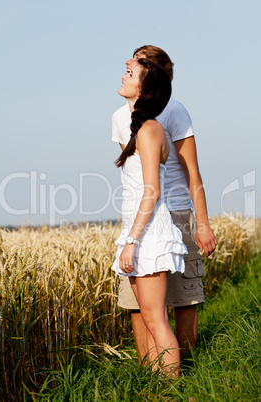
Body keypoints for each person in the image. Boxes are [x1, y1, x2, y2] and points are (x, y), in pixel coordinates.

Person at [112, 45, 217, 361]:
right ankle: (151, 376)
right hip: (140, 216)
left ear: (152, 74)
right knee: (138, 306)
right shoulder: (120, 117)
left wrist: (203, 224)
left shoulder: (174, 112)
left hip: (175, 213)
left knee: (184, 298)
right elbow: (135, 176)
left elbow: (192, 172)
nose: (128, 62)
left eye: (138, 60)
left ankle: (187, 368)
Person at [111, 58, 188, 376]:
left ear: (144, 89)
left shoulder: (149, 129)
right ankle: (159, 387)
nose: (123, 74)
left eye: (131, 73)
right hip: (138, 230)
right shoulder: (141, 128)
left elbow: (152, 191)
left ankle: (171, 390)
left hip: (147, 235)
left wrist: (131, 242)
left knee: (156, 320)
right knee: (149, 317)